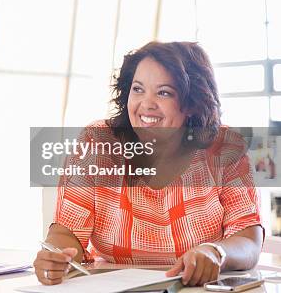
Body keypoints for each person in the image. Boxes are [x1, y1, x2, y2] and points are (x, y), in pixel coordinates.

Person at [33, 41, 263, 287]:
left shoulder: (226, 147)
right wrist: (56, 257)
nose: (147, 104)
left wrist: (216, 252)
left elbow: (248, 238)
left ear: (192, 103)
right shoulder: (97, 142)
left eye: (164, 92)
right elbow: (67, 232)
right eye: (138, 89)